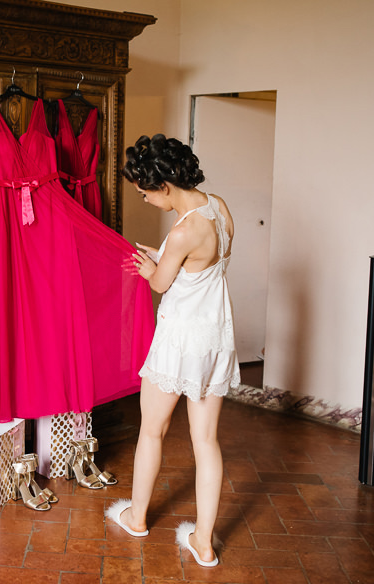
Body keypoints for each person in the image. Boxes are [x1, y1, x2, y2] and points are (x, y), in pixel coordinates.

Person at [106, 133, 241, 567]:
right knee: (206, 440)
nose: (144, 199)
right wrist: (163, 256)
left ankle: (138, 517)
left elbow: (162, 283)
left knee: (152, 430)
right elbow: (205, 268)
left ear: (163, 185)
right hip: (216, 338)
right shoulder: (217, 207)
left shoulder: (183, 232)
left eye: (145, 192)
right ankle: (203, 541)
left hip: (180, 340)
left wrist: (153, 267)